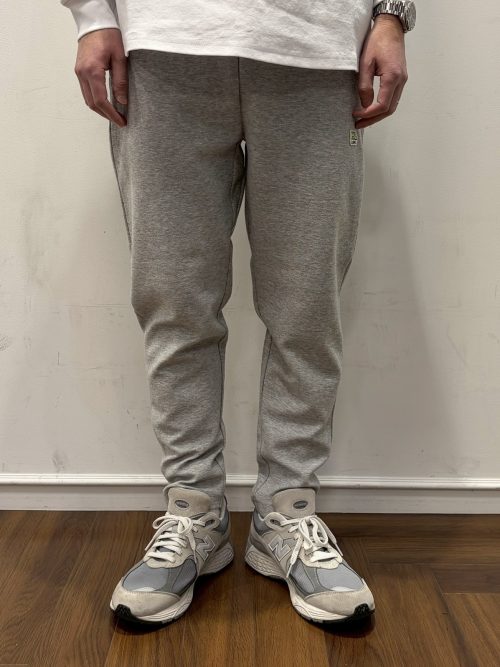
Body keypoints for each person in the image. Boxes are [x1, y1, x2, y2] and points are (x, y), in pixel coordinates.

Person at [61, 0, 416, 626]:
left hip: (318, 48)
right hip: (164, 45)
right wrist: (92, 16)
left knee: (306, 307)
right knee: (175, 302)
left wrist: (391, 15)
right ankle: (194, 509)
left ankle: (287, 510)